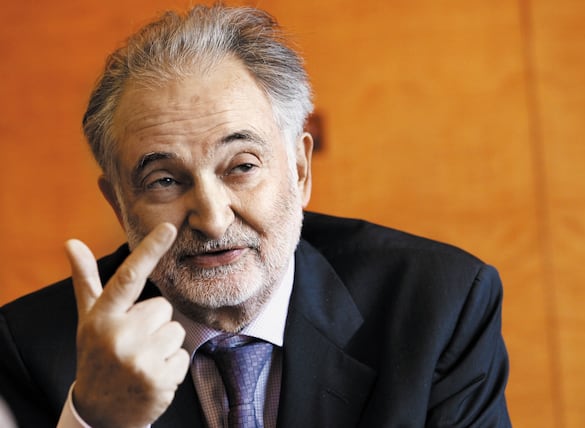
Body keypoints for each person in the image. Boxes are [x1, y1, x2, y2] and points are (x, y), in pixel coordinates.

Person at [0, 4, 511, 427]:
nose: (212, 218)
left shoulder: (437, 306)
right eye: (164, 180)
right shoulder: (31, 349)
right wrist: (96, 420)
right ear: (118, 203)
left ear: (300, 170)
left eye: (241, 166)